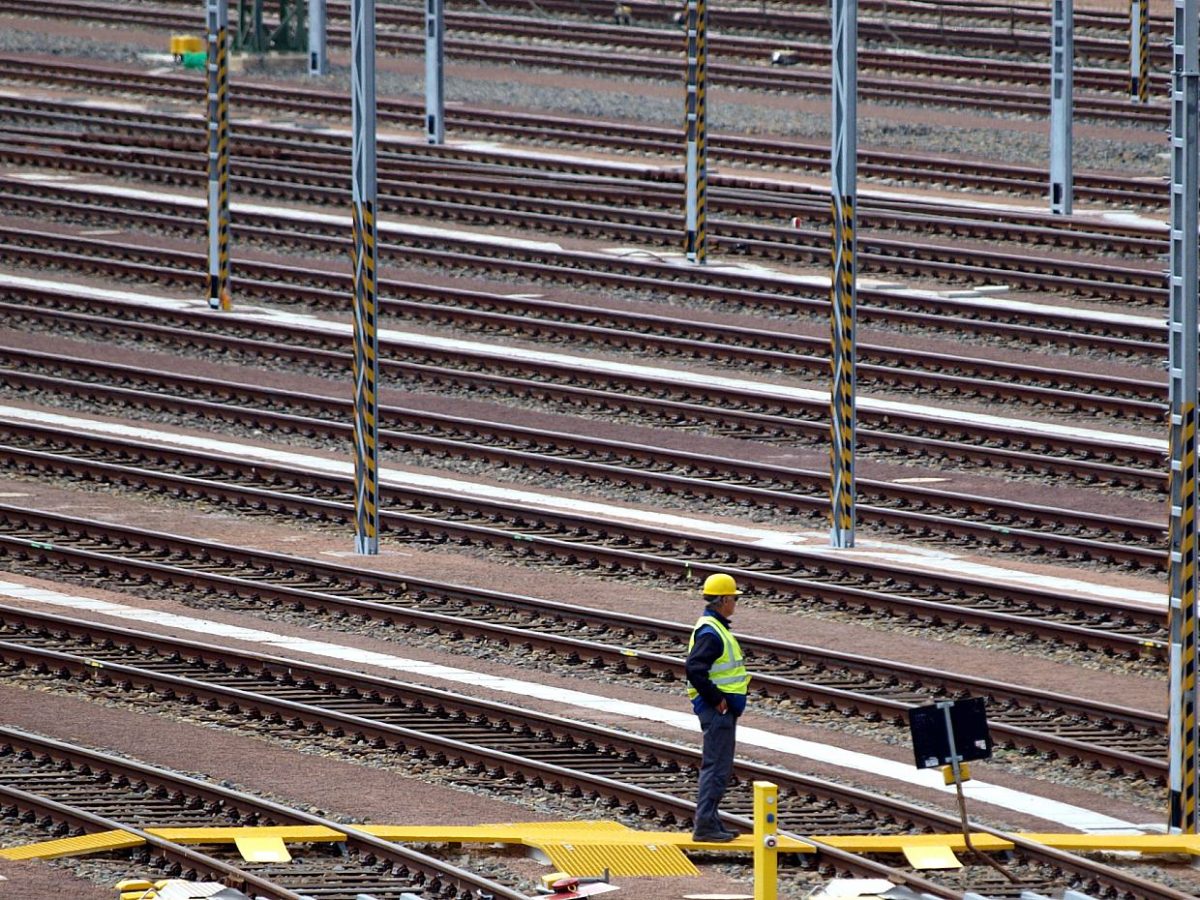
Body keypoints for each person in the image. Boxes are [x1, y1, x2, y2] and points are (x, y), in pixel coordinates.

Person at [685, 572, 750, 843]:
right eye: (734, 598)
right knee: (716, 767)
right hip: (717, 711)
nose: (735, 603)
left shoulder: (715, 627)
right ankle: (706, 826)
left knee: (719, 767)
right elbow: (694, 668)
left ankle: (711, 821)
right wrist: (716, 699)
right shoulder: (712, 632)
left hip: (721, 710)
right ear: (723, 599)